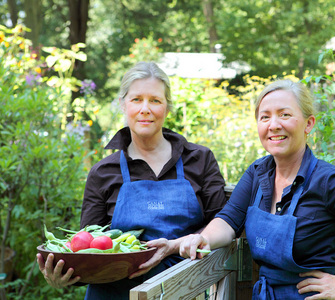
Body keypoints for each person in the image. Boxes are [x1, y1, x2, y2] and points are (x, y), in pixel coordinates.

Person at [179, 79, 335, 299]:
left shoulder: (329, 182)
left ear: (308, 124)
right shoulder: (258, 173)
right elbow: (229, 220)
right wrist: (203, 238)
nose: (273, 125)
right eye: (265, 117)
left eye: (284, 115)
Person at [36, 61, 227, 299]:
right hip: (114, 292)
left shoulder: (199, 159)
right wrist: (63, 275)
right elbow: (87, 247)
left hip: (185, 289)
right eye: (136, 99)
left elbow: (224, 223)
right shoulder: (103, 172)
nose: (145, 108)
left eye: (155, 100)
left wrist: (178, 244)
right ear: (123, 104)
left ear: (167, 107)